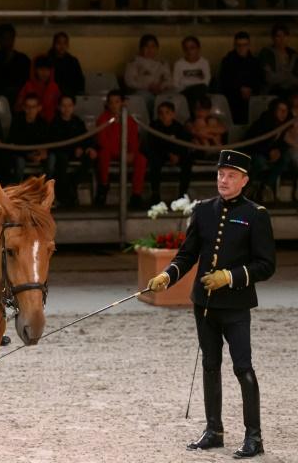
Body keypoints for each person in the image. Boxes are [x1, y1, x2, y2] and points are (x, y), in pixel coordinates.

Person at [147, 149, 275, 460]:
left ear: (244, 181)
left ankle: (253, 436)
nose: (224, 179)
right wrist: (167, 275)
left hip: (236, 305)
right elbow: (187, 254)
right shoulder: (203, 211)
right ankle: (214, 430)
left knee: (243, 367)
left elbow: (265, 265)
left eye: (231, 175)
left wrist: (229, 277)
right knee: (210, 366)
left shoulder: (256, 214)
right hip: (204, 304)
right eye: (220, 174)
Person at [94, 90, 147, 209]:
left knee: (141, 159)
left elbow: (134, 140)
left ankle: (136, 194)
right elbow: (102, 141)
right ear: (107, 104)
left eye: (117, 102)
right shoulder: (102, 119)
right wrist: (121, 154)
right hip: (111, 152)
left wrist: (132, 153)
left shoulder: (130, 121)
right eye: (111, 102)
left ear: (122, 103)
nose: (114, 105)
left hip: (126, 152)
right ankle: (103, 186)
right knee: (103, 154)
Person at [48, 95, 96, 207]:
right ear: (59, 107)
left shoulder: (78, 122)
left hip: (76, 152)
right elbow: (55, 143)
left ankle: (73, 182)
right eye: (63, 106)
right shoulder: (54, 123)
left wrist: (87, 148)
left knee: (90, 157)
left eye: (69, 105)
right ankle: (65, 194)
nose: (66, 109)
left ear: (73, 107)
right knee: (61, 160)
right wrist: (74, 149)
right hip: (61, 153)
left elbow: (86, 138)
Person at [244, 98, 291, 203]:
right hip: (256, 152)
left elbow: (284, 143)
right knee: (260, 162)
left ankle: (266, 187)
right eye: (280, 110)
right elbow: (254, 143)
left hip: (271, 154)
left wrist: (278, 151)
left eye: (286, 110)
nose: (283, 113)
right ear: (274, 110)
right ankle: (248, 187)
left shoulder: (286, 125)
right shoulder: (263, 123)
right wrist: (268, 152)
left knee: (285, 159)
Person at [146, 101, 193, 205]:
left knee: (187, 160)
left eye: (167, 112)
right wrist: (168, 154)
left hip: (175, 154)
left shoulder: (179, 127)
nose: (163, 116)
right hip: (159, 154)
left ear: (173, 114)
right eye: (161, 113)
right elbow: (153, 144)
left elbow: (183, 144)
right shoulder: (154, 126)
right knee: (155, 161)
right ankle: (155, 194)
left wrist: (177, 155)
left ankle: (182, 194)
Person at [0, 23, 31, 108]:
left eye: (10, 38)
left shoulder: (23, 60)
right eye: (4, 38)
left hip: (19, 103)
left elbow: (27, 84)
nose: (7, 41)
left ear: (14, 39)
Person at [219, 31, 264, 125]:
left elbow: (260, 80)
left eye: (244, 45)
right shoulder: (227, 61)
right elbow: (224, 81)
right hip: (233, 98)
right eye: (239, 45)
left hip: (252, 97)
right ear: (234, 46)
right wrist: (240, 89)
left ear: (249, 45)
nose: (242, 48)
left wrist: (251, 90)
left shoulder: (255, 62)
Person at [124, 34, 173, 115]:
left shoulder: (162, 63)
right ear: (141, 48)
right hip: (143, 92)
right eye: (146, 46)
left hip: (160, 92)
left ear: (157, 48)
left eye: (153, 46)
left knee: (172, 97)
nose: (150, 49)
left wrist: (160, 87)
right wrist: (148, 86)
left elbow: (169, 80)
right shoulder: (134, 62)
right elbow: (130, 81)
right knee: (143, 97)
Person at [8, 94, 50, 183]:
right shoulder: (17, 122)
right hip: (20, 154)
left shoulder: (43, 123)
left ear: (39, 108)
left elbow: (47, 142)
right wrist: (28, 154)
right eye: (28, 107)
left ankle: (46, 190)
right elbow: (12, 143)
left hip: (37, 155)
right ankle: (16, 190)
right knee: (19, 162)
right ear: (24, 107)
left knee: (51, 159)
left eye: (33, 107)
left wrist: (42, 153)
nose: (30, 110)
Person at [14, 56, 61, 123]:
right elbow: (18, 107)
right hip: (32, 123)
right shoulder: (28, 86)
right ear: (35, 70)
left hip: (51, 123)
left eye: (47, 70)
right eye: (41, 69)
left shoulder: (54, 87)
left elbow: (60, 106)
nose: (44, 72)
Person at [258, 23, 298, 97]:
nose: (282, 39)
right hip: (272, 92)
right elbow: (269, 78)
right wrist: (288, 76)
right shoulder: (266, 53)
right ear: (273, 38)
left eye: (285, 36)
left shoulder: (293, 54)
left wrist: (280, 76)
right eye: (278, 36)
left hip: (291, 93)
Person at [173, 36, 211, 113]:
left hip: (201, 90)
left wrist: (188, 83)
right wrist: (191, 85)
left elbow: (206, 82)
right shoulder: (179, 64)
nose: (189, 51)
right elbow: (176, 84)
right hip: (184, 91)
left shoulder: (204, 62)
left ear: (198, 48)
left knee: (201, 90)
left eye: (192, 48)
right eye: (186, 48)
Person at [48, 32, 84, 98]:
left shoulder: (73, 61)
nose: (62, 46)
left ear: (67, 45)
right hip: (52, 95)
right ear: (54, 44)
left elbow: (80, 81)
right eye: (59, 43)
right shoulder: (47, 60)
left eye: (65, 43)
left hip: (70, 96)